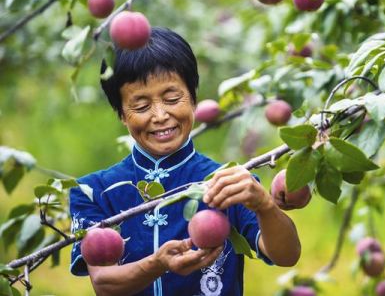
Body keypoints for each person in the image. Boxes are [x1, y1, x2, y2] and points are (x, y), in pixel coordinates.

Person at [69, 27, 301, 296]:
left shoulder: (226, 183)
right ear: (121, 114)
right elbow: (104, 284)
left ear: (193, 99)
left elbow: (287, 255)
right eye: (142, 106)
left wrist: (264, 205)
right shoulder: (93, 191)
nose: (160, 115)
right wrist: (157, 264)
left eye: (172, 98)